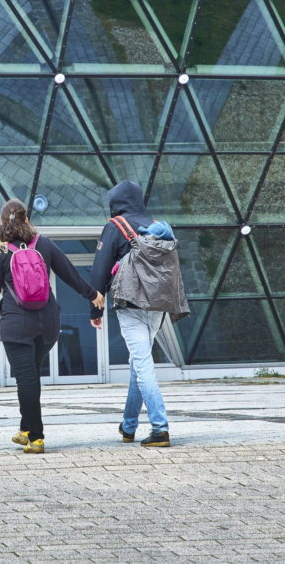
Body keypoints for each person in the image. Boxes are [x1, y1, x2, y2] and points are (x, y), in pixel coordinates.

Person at [0, 199, 105, 454]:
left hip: (16, 325)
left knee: (26, 379)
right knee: (31, 376)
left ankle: (36, 436)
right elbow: (69, 273)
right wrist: (92, 295)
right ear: (26, 220)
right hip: (47, 323)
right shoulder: (43, 243)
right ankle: (25, 429)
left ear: (2, 223)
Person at [89, 180, 175, 447]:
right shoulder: (159, 227)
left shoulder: (115, 227)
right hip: (158, 305)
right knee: (138, 364)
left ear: (115, 202)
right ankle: (128, 426)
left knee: (143, 364)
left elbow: (100, 270)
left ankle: (160, 428)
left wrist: (95, 308)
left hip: (130, 305)